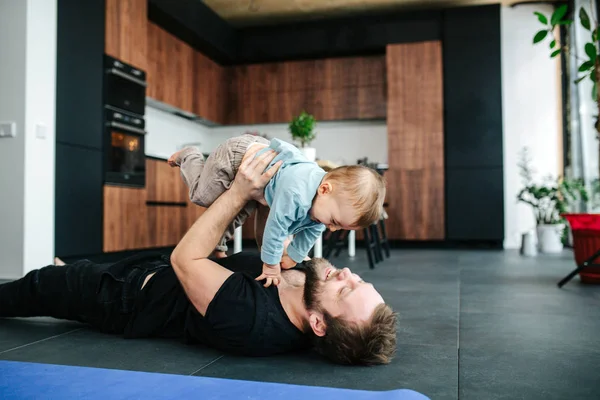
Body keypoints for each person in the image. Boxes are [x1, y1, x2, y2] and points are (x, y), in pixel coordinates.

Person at [0, 147, 397, 365]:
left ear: (318, 325)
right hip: (147, 272)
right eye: (358, 279)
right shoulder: (308, 280)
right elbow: (275, 229)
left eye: (346, 291)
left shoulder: (252, 320)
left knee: (40, 285)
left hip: (124, 297)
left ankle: (60, 281)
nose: (346, 272)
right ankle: (73, 272)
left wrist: (241, 191)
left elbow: (185, 260)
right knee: (74, 270)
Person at [168, 134, 386, 287]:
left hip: (265, 172)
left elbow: (311, 233)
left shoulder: (324, 204)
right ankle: (189, 156)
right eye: (334, 221)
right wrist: (271, 266)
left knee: (239, 210)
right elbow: (275, 229)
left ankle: (219, 248)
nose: (330, 227)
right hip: (238, 154)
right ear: (325, 189)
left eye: (338, 227)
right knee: (203, 196)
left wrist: (294, 256)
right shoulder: (297, 194)